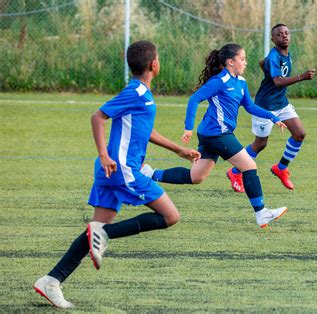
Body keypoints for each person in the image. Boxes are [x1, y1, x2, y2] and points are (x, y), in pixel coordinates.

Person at [33, 40, 200, 309]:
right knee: (170, 216)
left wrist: (178, 149)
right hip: (121, 169)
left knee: (93, 231)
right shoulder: (135, 92)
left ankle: (51, 281)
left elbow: (146, 131)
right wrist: (103, 153)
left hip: (112, 170)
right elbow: (97, 117)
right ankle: (106, 235)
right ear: (154, 65)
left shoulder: (142, 94)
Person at [141, 43, 288, 229]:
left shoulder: (241, 83)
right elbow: (194, 99)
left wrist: (272, 117)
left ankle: (150, 174)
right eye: (242, 59)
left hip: (212, 134)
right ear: (230, 62)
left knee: (196, 176)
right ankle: (261, 213)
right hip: (217, 134)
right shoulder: (220, 81)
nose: (245, 63)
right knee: (249, 166)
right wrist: (188, 128)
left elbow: (249, 107)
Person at [226, 23, 316, 192]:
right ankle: (235, 171)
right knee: (260, 144)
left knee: (299, 134)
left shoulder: (284, 54)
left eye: (287, 33)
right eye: (280, 34)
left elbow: (263, 62)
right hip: (265, 105)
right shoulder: (275, 55)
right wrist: (301, 77)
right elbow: (277, 81)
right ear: (273, 39)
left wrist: (267, 70)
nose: (285, 36)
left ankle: (281, 168)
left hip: (281, 103)